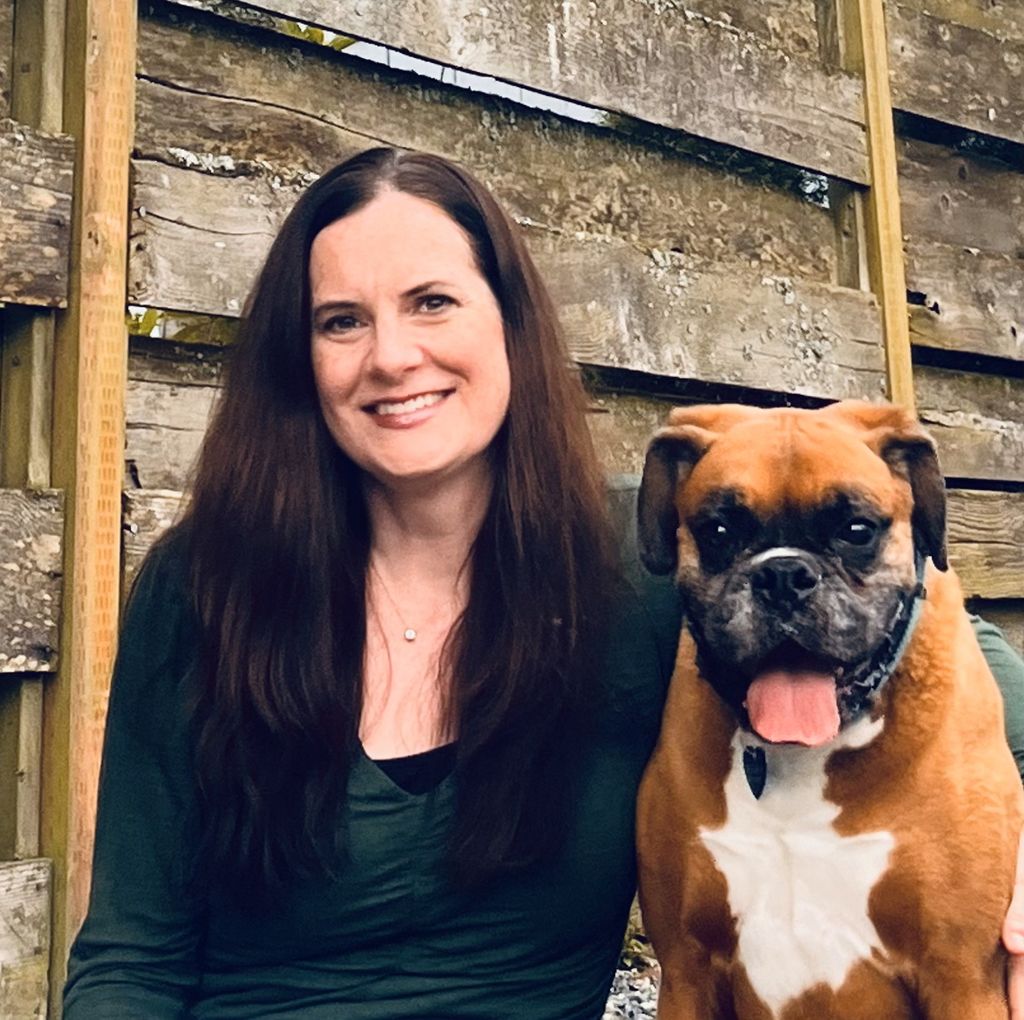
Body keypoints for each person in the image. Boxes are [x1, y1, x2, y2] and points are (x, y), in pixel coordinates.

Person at [63, 147, 1024, 1019]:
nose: (393, 356)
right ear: (300, 360)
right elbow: (130, 960)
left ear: (510, 326)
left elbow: (939, 636)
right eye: (341, 321)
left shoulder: (639, 561)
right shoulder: (205, 585)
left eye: (432, 302)